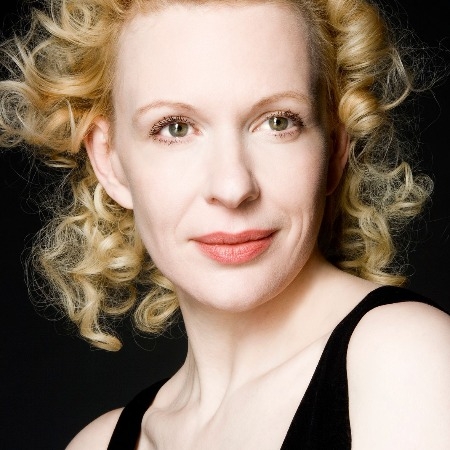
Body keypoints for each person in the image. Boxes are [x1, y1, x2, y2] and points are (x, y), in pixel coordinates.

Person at [0, 0, 449, 448]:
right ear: (110, 161)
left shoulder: (408, 360)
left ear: (334, 146)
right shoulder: (98, 444)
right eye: (175, 128)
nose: (233, 187)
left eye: (278, 122)